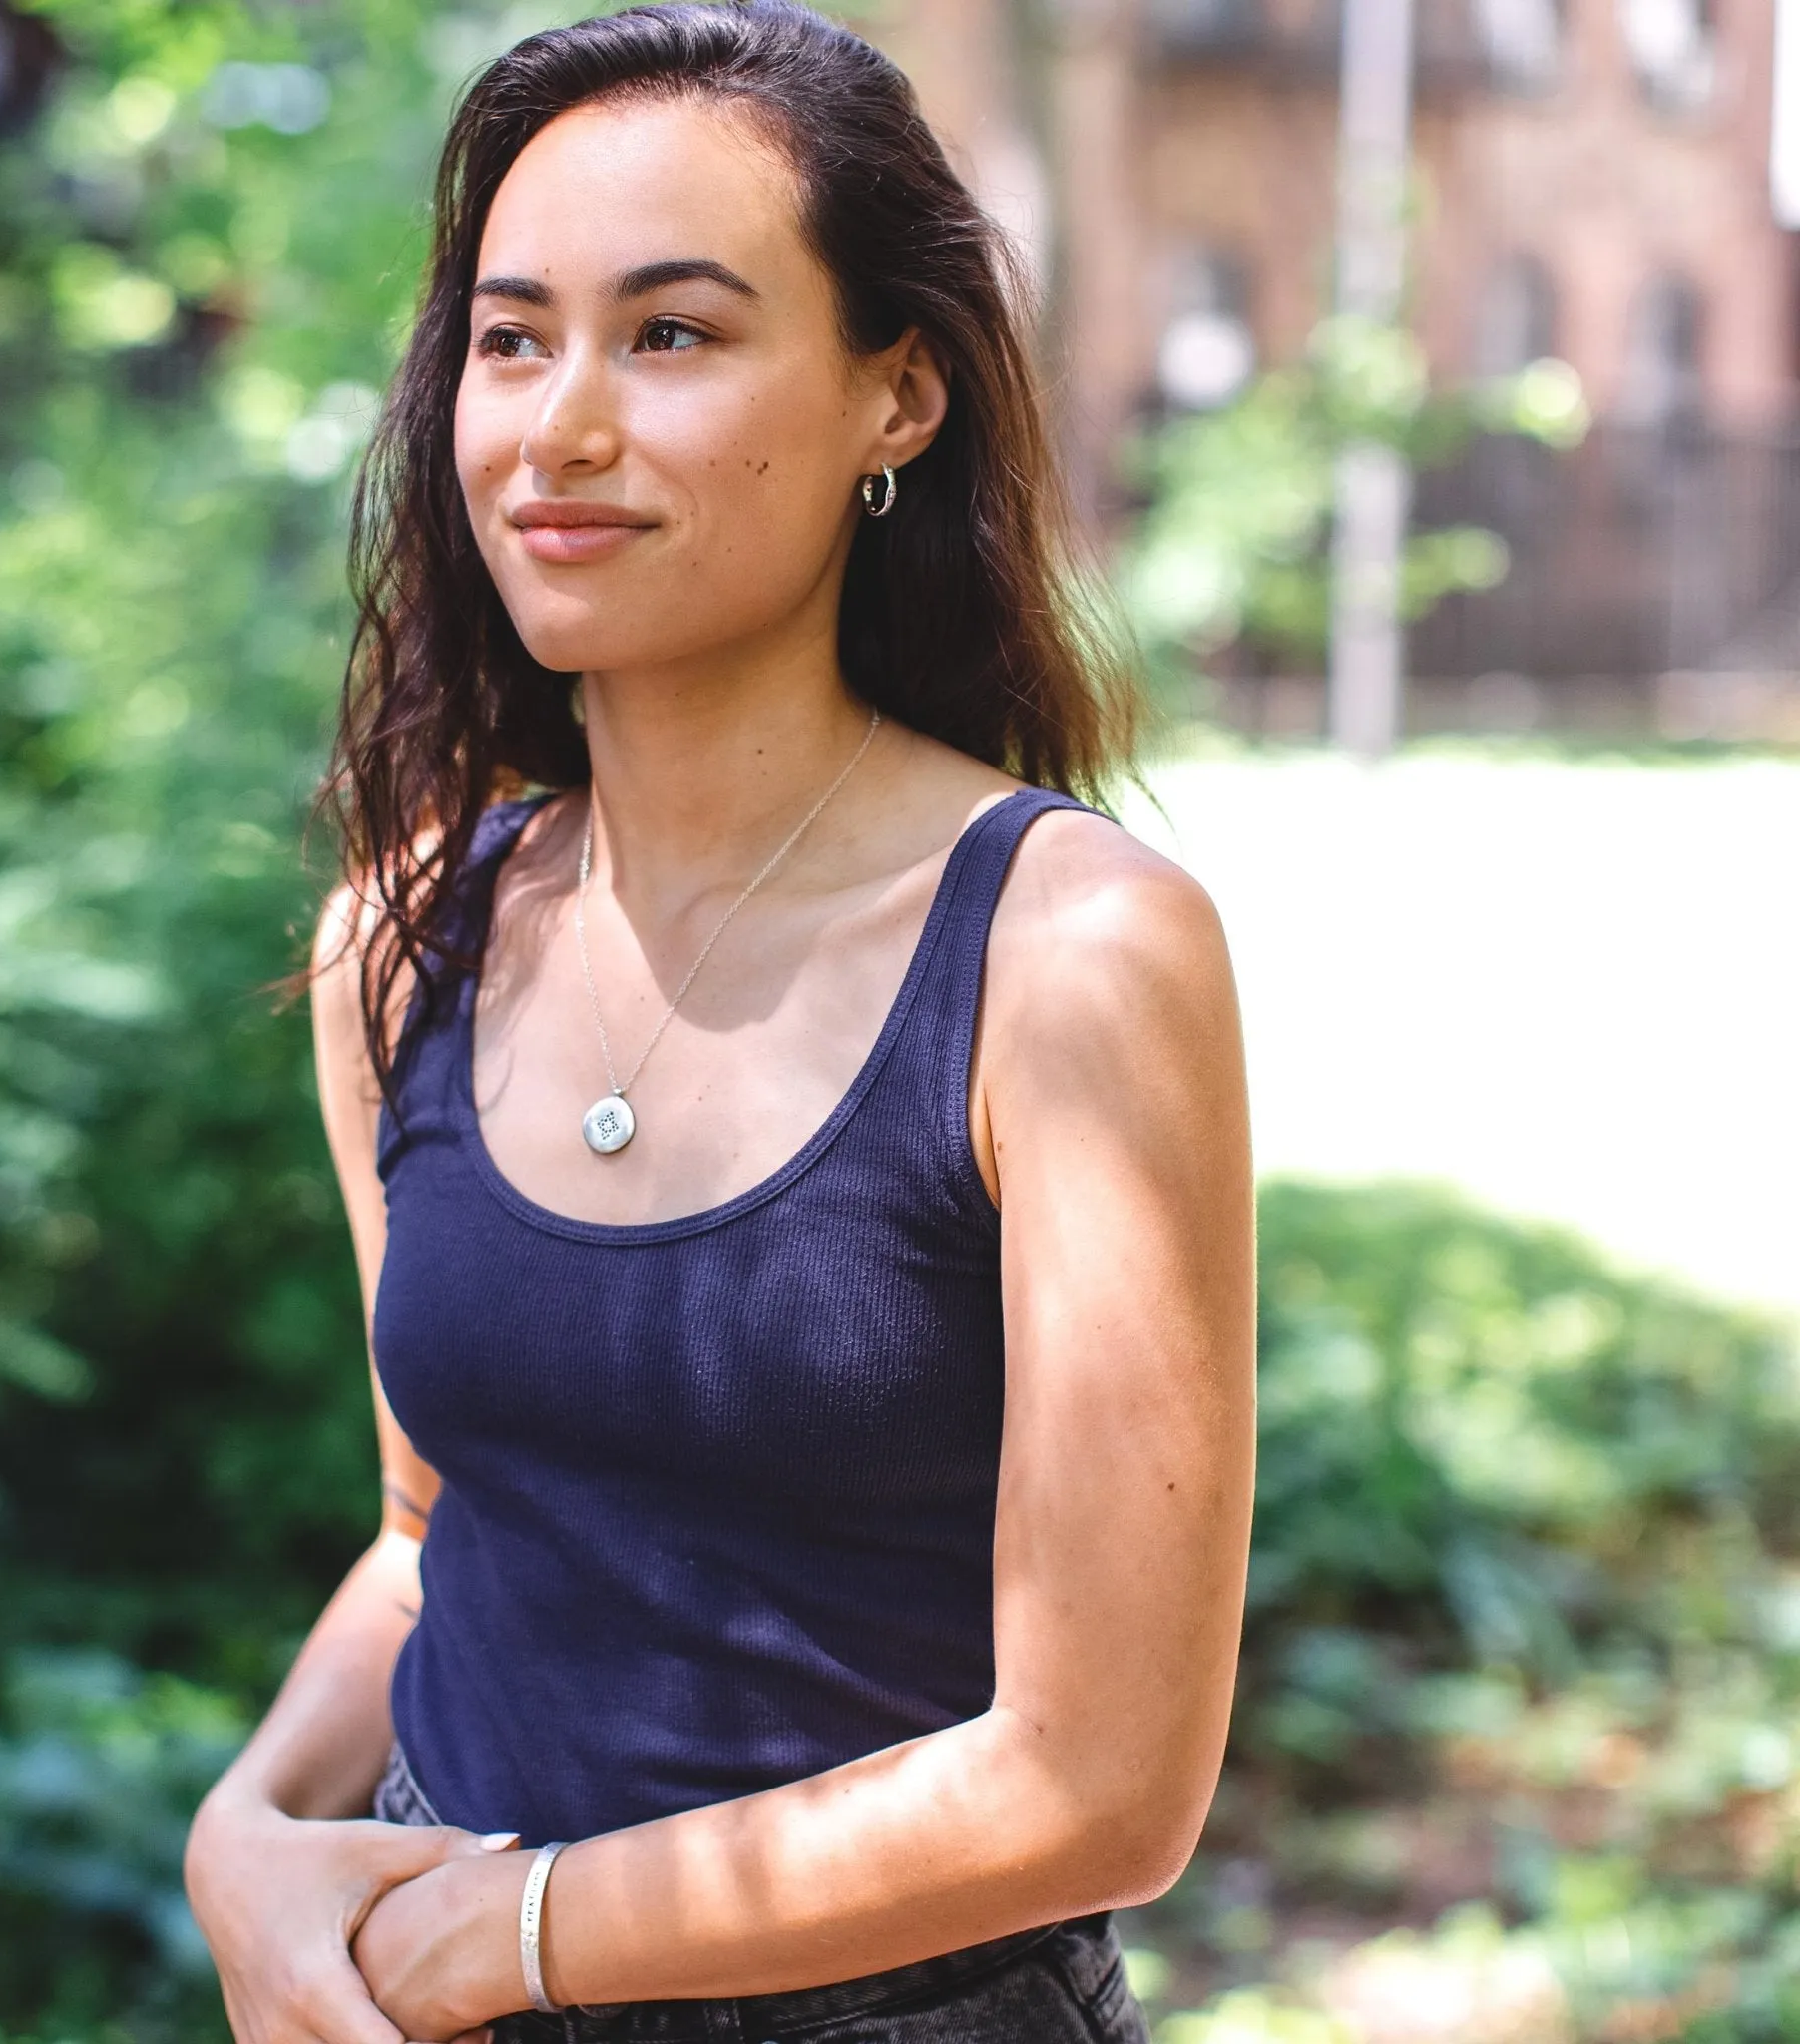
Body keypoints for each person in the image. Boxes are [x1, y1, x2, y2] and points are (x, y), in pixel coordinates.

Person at [183, 3, 1255, 2039]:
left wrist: (514, 1934)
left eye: (669, 334)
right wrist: (244, 1825)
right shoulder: (406, 935)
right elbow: (432, 1529)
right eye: (510, 340)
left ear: (895, 398)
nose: (557, 429)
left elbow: (1101, 1785)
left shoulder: (1069, 955)